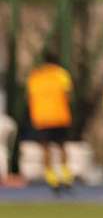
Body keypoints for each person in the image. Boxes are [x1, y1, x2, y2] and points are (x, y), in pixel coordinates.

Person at [26, 54, 74, 191]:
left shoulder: (35, 76)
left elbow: (30, 97)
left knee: (45, 148)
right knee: (62, 146)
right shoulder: (61, 74)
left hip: (42, 117)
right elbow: (68, 94)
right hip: (60, 116)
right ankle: (66, 175)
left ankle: (52, 178)